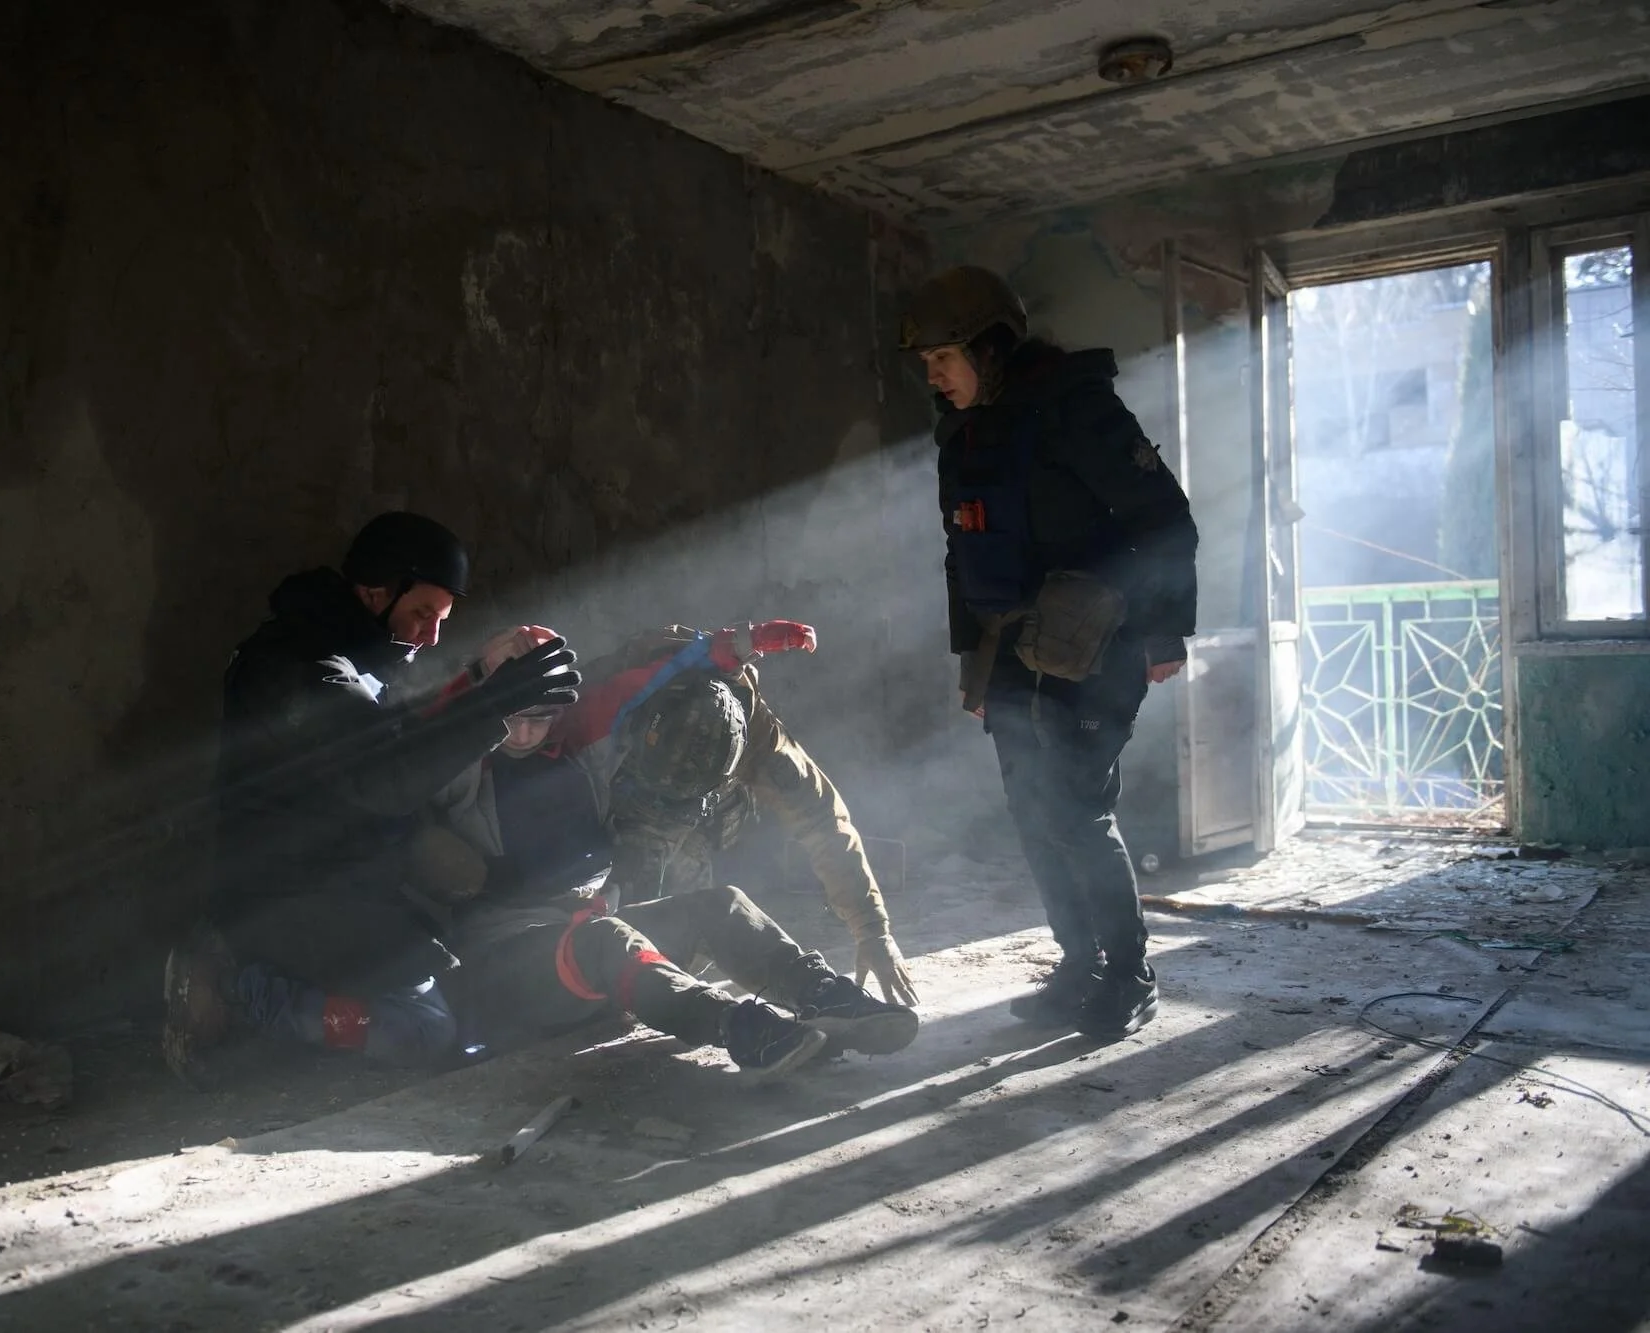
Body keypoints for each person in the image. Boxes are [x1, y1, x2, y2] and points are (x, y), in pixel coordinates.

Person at [162, 512, 582, 1082]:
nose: (430, 635)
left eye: (441, 619)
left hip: (337, 881)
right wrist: (492, 704)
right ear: (376, 591)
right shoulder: (299, 669)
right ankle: (239, 990)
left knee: (469, 982)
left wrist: (483, 679)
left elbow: (395, 737)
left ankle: (286, 992)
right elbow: (385, 777)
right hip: (281, 895)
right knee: (426, 1031)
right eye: (422, 614)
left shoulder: (337, 651)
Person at [899, 266, 1198, 1039]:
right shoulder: (962, 434)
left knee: (1075, 809)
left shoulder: (1077, 409)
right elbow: (960, 551)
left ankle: (1129, 975)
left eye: (945, 356)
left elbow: (1165, 518)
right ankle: (1078, 964)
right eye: (926, 360)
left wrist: (1166, 630)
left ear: (991, 347)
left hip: (1096, 643)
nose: (933, 375)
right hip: (1009, 650)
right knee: (1034, 813)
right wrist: (973, 661)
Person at [415, 638, 918, 1080]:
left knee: (721, 904)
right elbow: (428, 737)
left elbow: (819, 816)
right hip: (513, 959)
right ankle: (737, 1026)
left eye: (539, 719)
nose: (523, 734)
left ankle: (823, 996)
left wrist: (871, 929)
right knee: (608, 940)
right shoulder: (464, 772)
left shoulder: (583, 755)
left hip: (591, 930)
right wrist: (481, 681)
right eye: (512, 718)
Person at [551, 621, 919, 1007]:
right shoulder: (596, 710)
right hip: (608, 812)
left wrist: (872, 930)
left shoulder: (761, 743)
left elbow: (824, 822)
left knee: (678, 948)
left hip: (694, 828)